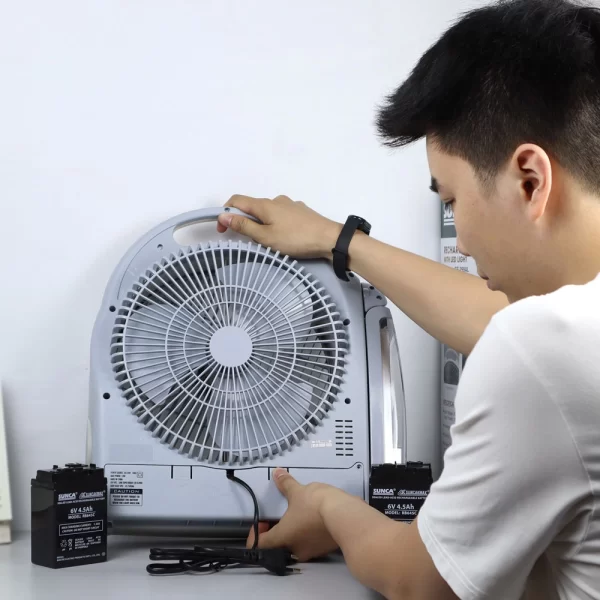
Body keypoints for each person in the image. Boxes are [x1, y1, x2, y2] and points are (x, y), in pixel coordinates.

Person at [216, 1, 600, 598]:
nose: (461, 240)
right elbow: (504, 325)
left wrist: (327, 508)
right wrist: (338, 240)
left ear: (530, 180)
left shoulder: (541, 350)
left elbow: (416, 581)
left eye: (451, 200)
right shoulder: (568, 336)